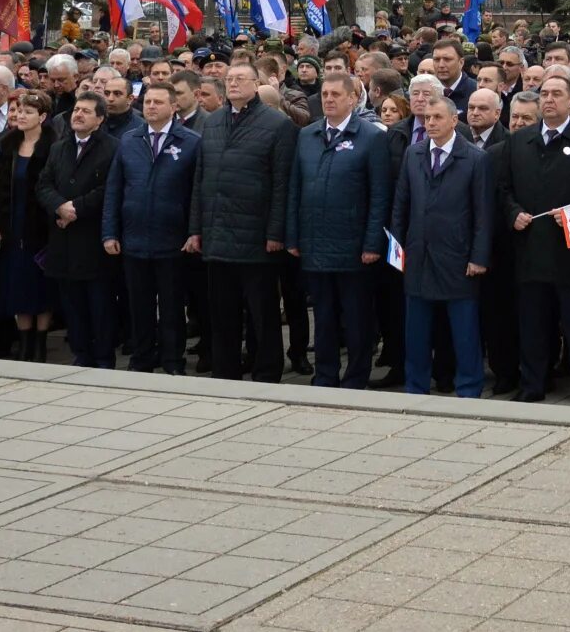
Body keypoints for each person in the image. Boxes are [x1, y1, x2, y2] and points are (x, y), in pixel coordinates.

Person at [499, 83, 570, 408]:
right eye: (544, 95)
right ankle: (533, 383)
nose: (549, 100)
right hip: (531, 248)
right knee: (533, 323)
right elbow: (503, 188)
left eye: (557, 95)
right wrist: (513, 213)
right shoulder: (519, 141)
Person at [285, 68, 393, 389]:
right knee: (325, 316)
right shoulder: (308, 135)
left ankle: (356, 377)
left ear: (353, 98)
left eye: (336, 95)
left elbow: (379, 195)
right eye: (325, 95)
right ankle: (326, 374)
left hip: (354, 245)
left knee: (357, 318)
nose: (329, 100)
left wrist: (373, 242)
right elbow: (295, 188)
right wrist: (292, 235)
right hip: (315, 243)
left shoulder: (372, 137)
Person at [192, 62, 297, 384]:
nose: (234, 84)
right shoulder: (212, 123)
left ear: (257, 84)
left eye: (241, 79)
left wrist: (276, 232)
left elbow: (283, 184)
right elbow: (200, 180)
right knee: (221, 314)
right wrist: (196, 229)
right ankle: (226, 371)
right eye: (230, 79)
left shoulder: (277, 125)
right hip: (217, 236)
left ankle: (266, 373)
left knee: (262, 315)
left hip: (258, 239)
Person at [390, 93, 493, 396]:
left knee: (463, 331)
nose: (430, 123)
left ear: (454, 120)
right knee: (417, 332)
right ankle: (416, 386)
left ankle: (469, 388)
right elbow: (401, 204)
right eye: (426, 118)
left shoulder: (475, 158)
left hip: (457, 256)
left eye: (437, 117)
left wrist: (478, 256)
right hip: (418, 255)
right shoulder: (414, 153)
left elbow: (483, 213)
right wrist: (397, 249)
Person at [102, 80, 200, 375]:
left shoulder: (191, 142)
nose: (151, 107)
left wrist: (193, 231)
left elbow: (197, 193)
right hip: (134, 239)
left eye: (158, 102)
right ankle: (142, 359)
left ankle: (172, 361)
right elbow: (114, 190)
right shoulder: (129, 140)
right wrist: (109, 232)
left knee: (171, 309)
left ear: (174, 106)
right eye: (147, 102)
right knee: (139, 307)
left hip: (173, 240)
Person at [39, 89, 117, 367]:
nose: (79, 115)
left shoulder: (112, 147)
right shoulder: (60, 147)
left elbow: (108, 188)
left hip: (92, 239)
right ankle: (81, 353)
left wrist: (77, 208)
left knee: (99, 305)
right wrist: (60, 206)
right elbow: (44, 183)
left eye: (86, 111)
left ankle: (103, 356)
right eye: (76, 110)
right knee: (71, 303)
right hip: (63, 238)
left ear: (100, 119)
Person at [0, 89, 57, 360]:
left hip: (41, 227)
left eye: (28, 111)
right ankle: (24, 340)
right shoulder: (7, 144)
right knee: (16, 282)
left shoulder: (53, 146)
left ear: (41, 117)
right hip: (12, 222)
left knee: (40, 284)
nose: (20, 115)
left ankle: (40, 342)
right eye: (18, 110)